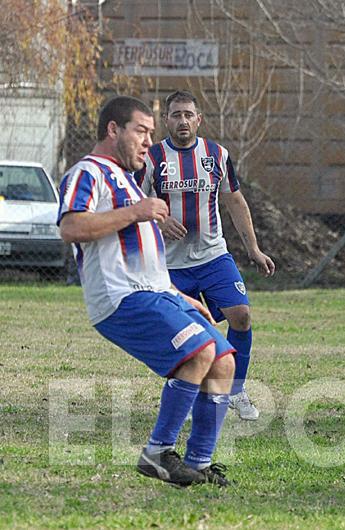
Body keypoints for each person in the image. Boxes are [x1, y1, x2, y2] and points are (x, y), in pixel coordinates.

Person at [58, 95, 234, 487]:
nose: (148, 141)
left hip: (155, 292)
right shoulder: (88, 173)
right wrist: (137, 212)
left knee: (223, 361)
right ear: (113, 129)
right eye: (142, 131)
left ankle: (199, 463)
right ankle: (157, 452)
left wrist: (177, 293)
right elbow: (71, 228)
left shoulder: (129, 184)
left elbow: (144, 257)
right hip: (120, 298)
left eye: (152, 134)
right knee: (199, 351)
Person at [136, 90, 275, 420]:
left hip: (213, 256)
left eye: (188, 114)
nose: (182, 120)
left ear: (198, 119)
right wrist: (160, 219)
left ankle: (235, 390)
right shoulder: (152, 159)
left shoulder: (217, 155)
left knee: (241, 315)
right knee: (182, 331)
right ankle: (184, 396)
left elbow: (235, 202)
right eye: (176, 115)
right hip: (170, 263)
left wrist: (253, 249)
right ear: (165, 121)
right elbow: (133, 205)